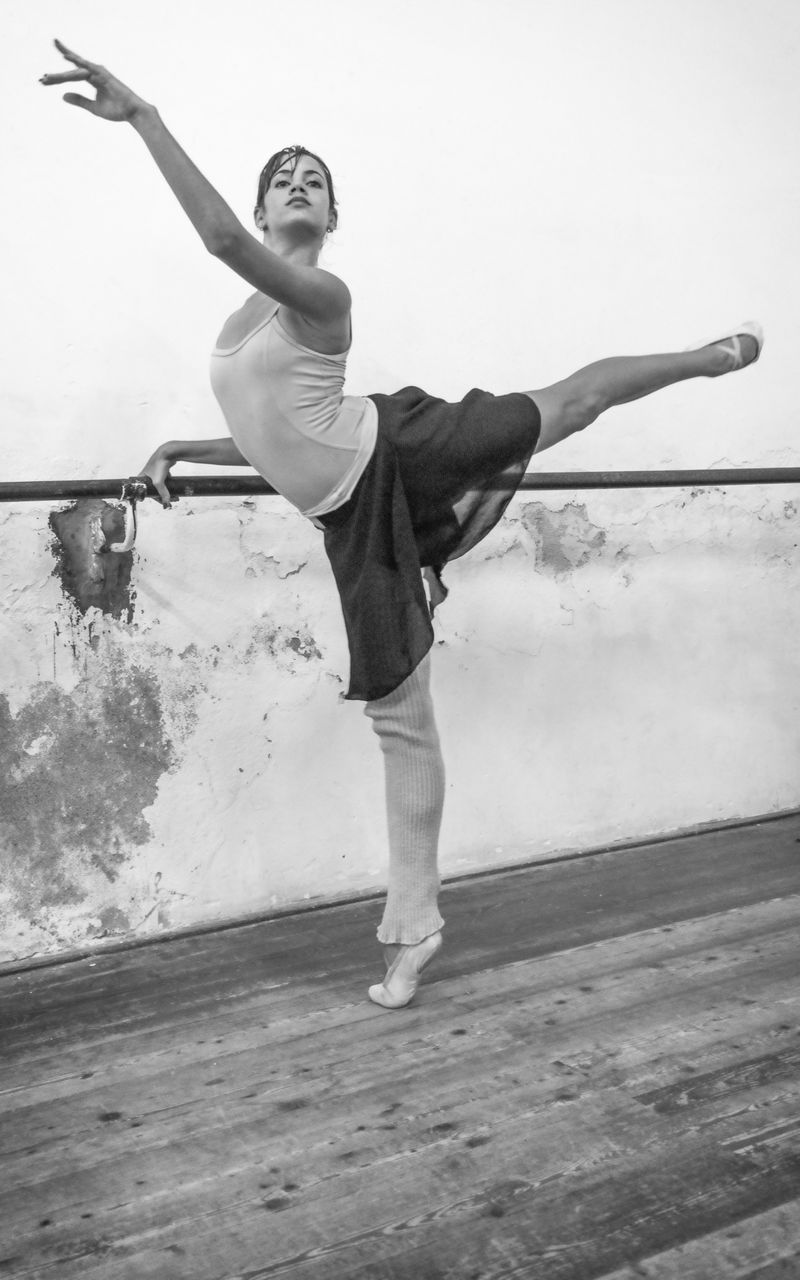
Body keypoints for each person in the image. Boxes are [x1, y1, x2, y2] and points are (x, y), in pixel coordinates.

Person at [41, 41, 763, 1009]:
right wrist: (187, 443)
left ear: (328, 218)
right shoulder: (242, 320)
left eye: (313, 181)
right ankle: (416, 925)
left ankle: (704, 355)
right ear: (267, 209)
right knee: (400, 717)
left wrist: (145, 118)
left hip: (403, 444)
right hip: (353, 514)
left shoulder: (321, 296)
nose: (297, 184)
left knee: (571, 402)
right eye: (281, 179)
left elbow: (215, 240)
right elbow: (278, 430)